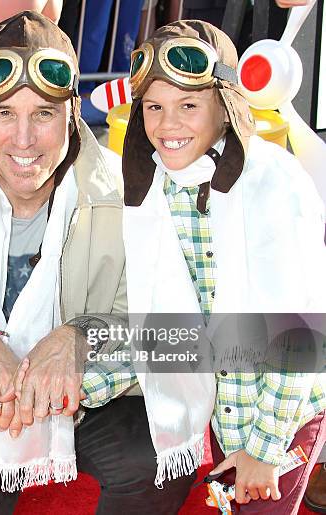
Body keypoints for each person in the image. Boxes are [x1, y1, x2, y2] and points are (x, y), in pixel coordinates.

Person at [0, 10, 196, 515]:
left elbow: (173, 332)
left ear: (73, 112)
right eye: (5, 113)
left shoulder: (127, 196)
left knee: (161, 458)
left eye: (44, 114)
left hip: (81, 402)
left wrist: (80, 338)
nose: (24, 140)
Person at [115, 19, 325, 514]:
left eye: (189, 105)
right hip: (225, 403)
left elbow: (301, 331)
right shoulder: (155, 190)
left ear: (226, 105)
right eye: (153, 107)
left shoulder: (274, 182)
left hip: (286, 406)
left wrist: (265, 449)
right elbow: (163, 322)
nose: (168, 125)